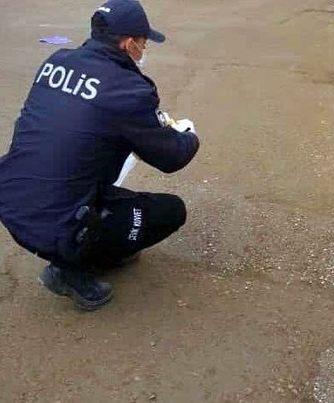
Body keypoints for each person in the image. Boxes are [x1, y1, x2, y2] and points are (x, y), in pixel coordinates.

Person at [0, 0, 200, 311]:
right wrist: (189, 135)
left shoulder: (56, 61)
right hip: (58, 224)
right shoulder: (128, 90)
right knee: (170, 211)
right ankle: (69, 268)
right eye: (144, 42)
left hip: (12, 201)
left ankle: (85, 243)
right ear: (129, 42)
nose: (144, 49)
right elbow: (172, 157)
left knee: (93, 166)